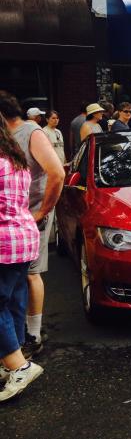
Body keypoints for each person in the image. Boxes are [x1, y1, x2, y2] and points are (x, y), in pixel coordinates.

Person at [0, 92, 64, 358]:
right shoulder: (11, 135)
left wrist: (42, 211)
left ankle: (34, 334)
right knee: (17, 283)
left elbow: (57, 173)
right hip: (14, 216)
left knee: (30, 274)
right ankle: (19, 338)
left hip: (28, 215)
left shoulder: (31, 133)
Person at [0, 113, 44, 402]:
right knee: (14, 302)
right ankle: (9, 363)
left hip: (3, 243)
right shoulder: (16, 162)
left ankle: (19, 366)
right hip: (23, 240)